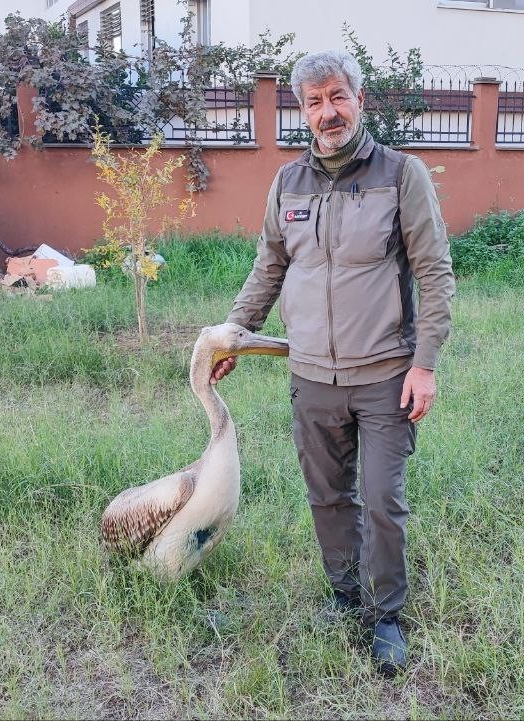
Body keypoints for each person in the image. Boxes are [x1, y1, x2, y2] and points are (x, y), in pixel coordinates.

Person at [214, 49, 455, 676]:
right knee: (327, 496)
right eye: (315, 101)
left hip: (384, 376)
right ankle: (343, 593)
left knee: (381, 498)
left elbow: (434, 274)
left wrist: (424, 364)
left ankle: (386, 615)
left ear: (359, 99)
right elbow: (270, 264)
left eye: (337, 97)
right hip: (311, 375)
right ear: (302, 110)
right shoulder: (286, 184)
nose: (328, 112)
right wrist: (236, 335)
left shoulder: (402, 175)